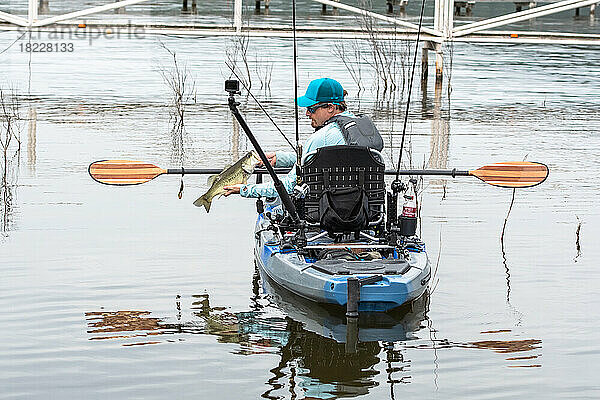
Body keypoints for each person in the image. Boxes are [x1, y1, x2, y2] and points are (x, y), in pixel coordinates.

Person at [223, 77, 381, 198]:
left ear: (331, 108)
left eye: (311, 109)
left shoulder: (322, 137)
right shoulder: (361, 129)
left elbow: (288, 186)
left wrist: (245, 189)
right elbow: (327, 158)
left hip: (328, 209)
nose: (307, 113)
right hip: (366, 207)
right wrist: (280, 158)